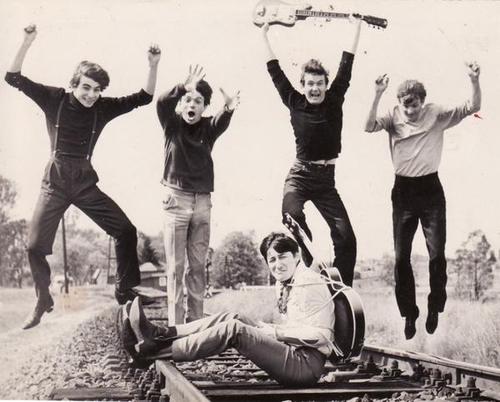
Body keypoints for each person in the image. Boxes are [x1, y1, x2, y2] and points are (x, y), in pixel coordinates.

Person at [5, 25, 161, 329]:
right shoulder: (54, 99)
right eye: (86, 87)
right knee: (34, 245)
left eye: (97, 90)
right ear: (74, 84)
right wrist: (26, 41)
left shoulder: (102, 108)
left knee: (126, 231)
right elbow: (13, 77)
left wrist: (153, 66)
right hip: (55, 181)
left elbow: (143, 97)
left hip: (84, 181)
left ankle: (125, 290)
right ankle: (43, 298)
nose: (91, 95)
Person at [121, 232, 339, 386]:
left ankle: (153, 352)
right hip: (293, 351)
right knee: (233, 316)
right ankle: (161, 334)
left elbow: (324, 337)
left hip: (304, 367)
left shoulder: (309, 283)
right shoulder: (287, 281)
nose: (276, 265)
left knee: (234, 329)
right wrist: (274, 332)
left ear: (297, 256)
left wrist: (276, 333)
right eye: (271, 260)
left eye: (282, 257)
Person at [364, 63, 481, 339]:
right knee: (401, 258)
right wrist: (377, 94)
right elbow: (368, 126)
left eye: (415, 106)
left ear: (422, 102)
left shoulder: (436, 114)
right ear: (399, 104)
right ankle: (409, 313)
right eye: (406, 107)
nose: (410, 112)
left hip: (430, 191)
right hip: (403, 192)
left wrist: (474, 80)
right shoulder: (393, 116)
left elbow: (472, 107)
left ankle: (434, 307)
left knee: (437, 254)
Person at [261, 19, 363, 286]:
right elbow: (275, 71)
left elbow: (347, 65)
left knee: (347, 238)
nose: (315, 88)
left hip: (326, 181)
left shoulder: (334, 99)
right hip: (300, 176)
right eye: (310, 84)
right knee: (291, 215)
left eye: (319, 83)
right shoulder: (294, 101)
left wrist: (356, 27)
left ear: (326, 85)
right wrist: (264, 35)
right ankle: (310, 265)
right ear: (303, 85)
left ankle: (341, 289)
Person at [156, 65, 240, 324]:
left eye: (198, 101)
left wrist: (228, 108)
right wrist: (184, 85)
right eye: (188, 100)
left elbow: (221, 120)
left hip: (202, 202)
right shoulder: (171, 124)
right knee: (175, 267)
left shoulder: (208, 128)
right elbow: (161, 103)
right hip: (176, 200)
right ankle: (175, 327)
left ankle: (195, 324)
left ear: (204, 107)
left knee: (197, 267)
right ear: (181, 104)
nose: (192, 104)